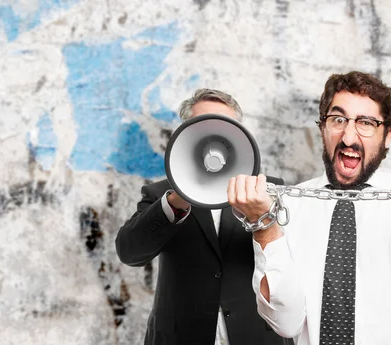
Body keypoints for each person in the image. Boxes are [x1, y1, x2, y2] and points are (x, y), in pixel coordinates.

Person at [227, 71, 391, 345]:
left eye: (366, 122)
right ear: (322, 127)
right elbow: (285, 323)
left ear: (388, 135)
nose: (349, 137)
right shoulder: (287, 207)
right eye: (338, 119)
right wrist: (264, 226)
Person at [116, 89, 292, 345]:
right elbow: (129, 252)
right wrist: (176, 201)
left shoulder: (267, 190)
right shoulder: (160, 194)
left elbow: (288, 266)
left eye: (223, 128)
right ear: (187, 135)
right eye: (204, 127)